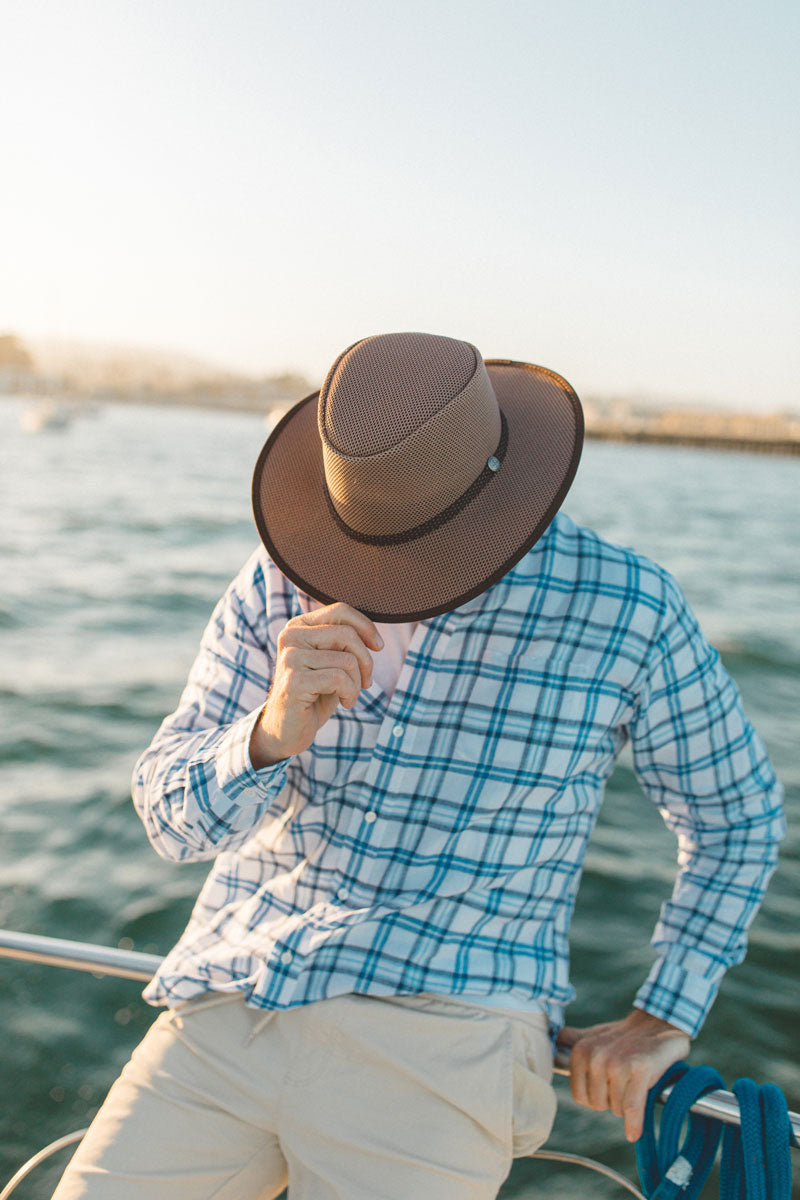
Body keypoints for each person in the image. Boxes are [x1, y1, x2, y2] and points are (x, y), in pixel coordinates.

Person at [53, 331, 784, 1199]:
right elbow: (166, 817)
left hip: (451, 1035)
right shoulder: (280, 578)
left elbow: (735, 817)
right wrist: (265, 733)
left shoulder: (627, 608)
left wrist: (666, 1010)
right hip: (229, 999)